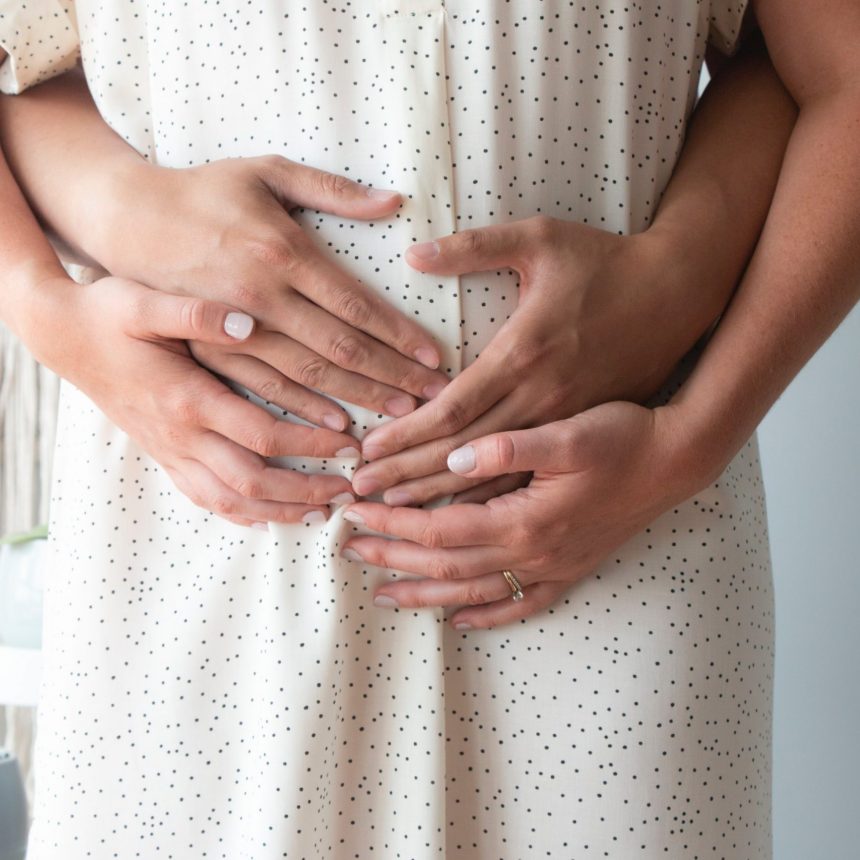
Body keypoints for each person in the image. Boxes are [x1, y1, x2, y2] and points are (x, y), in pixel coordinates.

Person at [0, 2, 857, 857]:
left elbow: (831, 69)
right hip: (201, 558)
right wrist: (52, 308)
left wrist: (689, 426)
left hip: (611, 544)